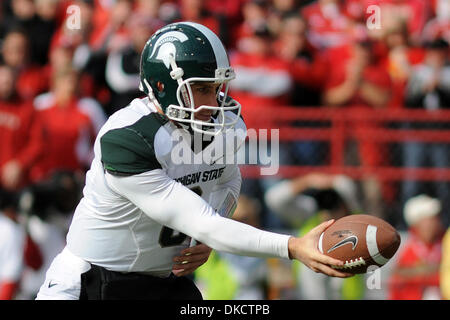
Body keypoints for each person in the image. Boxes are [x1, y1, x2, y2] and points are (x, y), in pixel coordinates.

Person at [36, 22, 351, 300]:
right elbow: (204, 222)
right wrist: (292, 247)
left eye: (217, 89)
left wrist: (207, 236)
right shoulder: (129, 138)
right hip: (92, 283)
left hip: (163, 282)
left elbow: (228, 180)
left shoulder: (221, 126)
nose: (215, 103)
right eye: (201, 89)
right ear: (164, 87)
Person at [388, 194, 445, 300]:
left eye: (436, 218)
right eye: (430, 219)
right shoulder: (409, 251)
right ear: (417, 223)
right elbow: (397, 276)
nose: (436, 222)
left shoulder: (445, 243)